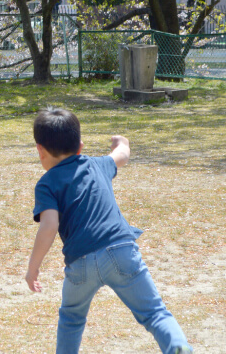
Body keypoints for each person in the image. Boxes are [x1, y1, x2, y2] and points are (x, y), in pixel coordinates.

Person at [25, 108, 192, 354]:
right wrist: (122, 142)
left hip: (80, 263)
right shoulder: (97, 164)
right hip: (121, 251)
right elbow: (121, 156)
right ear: (80, 147)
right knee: (154, 312)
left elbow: (49, 226)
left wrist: (33, 267)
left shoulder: (47, 183)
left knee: (71, 318)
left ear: (40, 150)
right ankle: (176, 346)